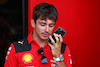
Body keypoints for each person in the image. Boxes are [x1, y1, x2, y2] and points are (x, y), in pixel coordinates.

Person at [4, 3, 72, 67]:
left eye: (51, 25)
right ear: (33, 23)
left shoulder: (62, 48)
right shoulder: (16, 48)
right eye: (42, 25)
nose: (47, 30)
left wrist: (58, 56)